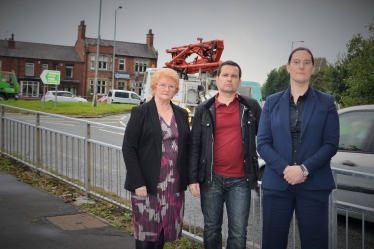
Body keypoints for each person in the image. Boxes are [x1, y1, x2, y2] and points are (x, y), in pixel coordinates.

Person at [257, 47, 340, 249]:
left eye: (306, 62)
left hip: (314, 185)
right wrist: (286, 170)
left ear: (313, 68)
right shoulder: (272, 102)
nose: (301, 66)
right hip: (277, 183)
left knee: (315, 243)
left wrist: (303, 169)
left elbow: (330, 143)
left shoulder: (327, 102)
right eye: (296, 61)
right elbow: (263, 142)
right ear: (288, 67)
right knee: (272, 242)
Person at [188, 60, 262, 249]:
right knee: (212, 229)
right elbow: (194, 145)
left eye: (234, 76)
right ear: (217, 79)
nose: (229, 79)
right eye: (225, 75)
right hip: (211, 179)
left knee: (238, 234)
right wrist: (192, 178)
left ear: (239, 81)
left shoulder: (251, 107)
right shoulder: (203, 109)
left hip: (241, 181)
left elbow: (266, 138)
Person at [122, 68, 190, 249]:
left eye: (171, 86)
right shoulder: (140, 112)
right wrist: (138, 182)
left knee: (163, 233)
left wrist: (191, 179)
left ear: (176, 89)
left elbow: (188, 148)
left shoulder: (182, 114)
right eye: (162, 85)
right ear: (154, 87)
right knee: (146, 233)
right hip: (147, 184)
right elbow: (128, 149)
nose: (166, 89)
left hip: (173, 184)